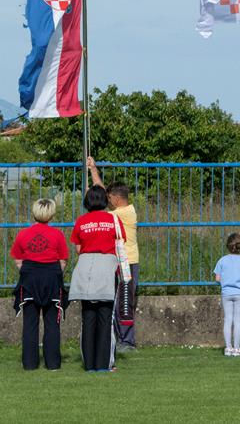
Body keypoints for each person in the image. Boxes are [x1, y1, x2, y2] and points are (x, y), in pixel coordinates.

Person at [69, 185, 127, 372]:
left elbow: (78, 248)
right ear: (105, 200)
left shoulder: (81, 221)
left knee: (88, 317)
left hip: (85, 269)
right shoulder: (114, 220)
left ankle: (89, 364)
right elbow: (121, 243)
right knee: (106, 318)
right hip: (107, 270)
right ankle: (103, 364)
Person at [87, 156, 140, 353]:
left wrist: (92, 197)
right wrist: (93, 170)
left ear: (116, 199)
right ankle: (120, 339)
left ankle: (127, 342)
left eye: (109, 198)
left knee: (124, 303)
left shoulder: (123, 213)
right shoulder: (122, 211)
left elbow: (99, 202)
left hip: (127, 263)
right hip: (118, 262)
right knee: (117, 301)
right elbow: (102, 193)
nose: (106, 201)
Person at [10, 198, 69, 370]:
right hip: (51, 278)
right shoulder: (57, 234)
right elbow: (63, 261)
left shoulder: (23, 234)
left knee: (30, 323)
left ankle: (29, 364)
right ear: (51, 214)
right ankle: (53, 363)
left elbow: (18, 260)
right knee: (52, 323)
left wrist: (29, 272)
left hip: (29, 279)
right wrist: (53, 274)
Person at [213, 232, 240, 357]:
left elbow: (217, 278)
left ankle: (228, 348)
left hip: (226, 293)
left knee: (228, 319)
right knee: (237, 321)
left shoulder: (222, 260)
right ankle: (237, 348)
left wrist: (226, 283)